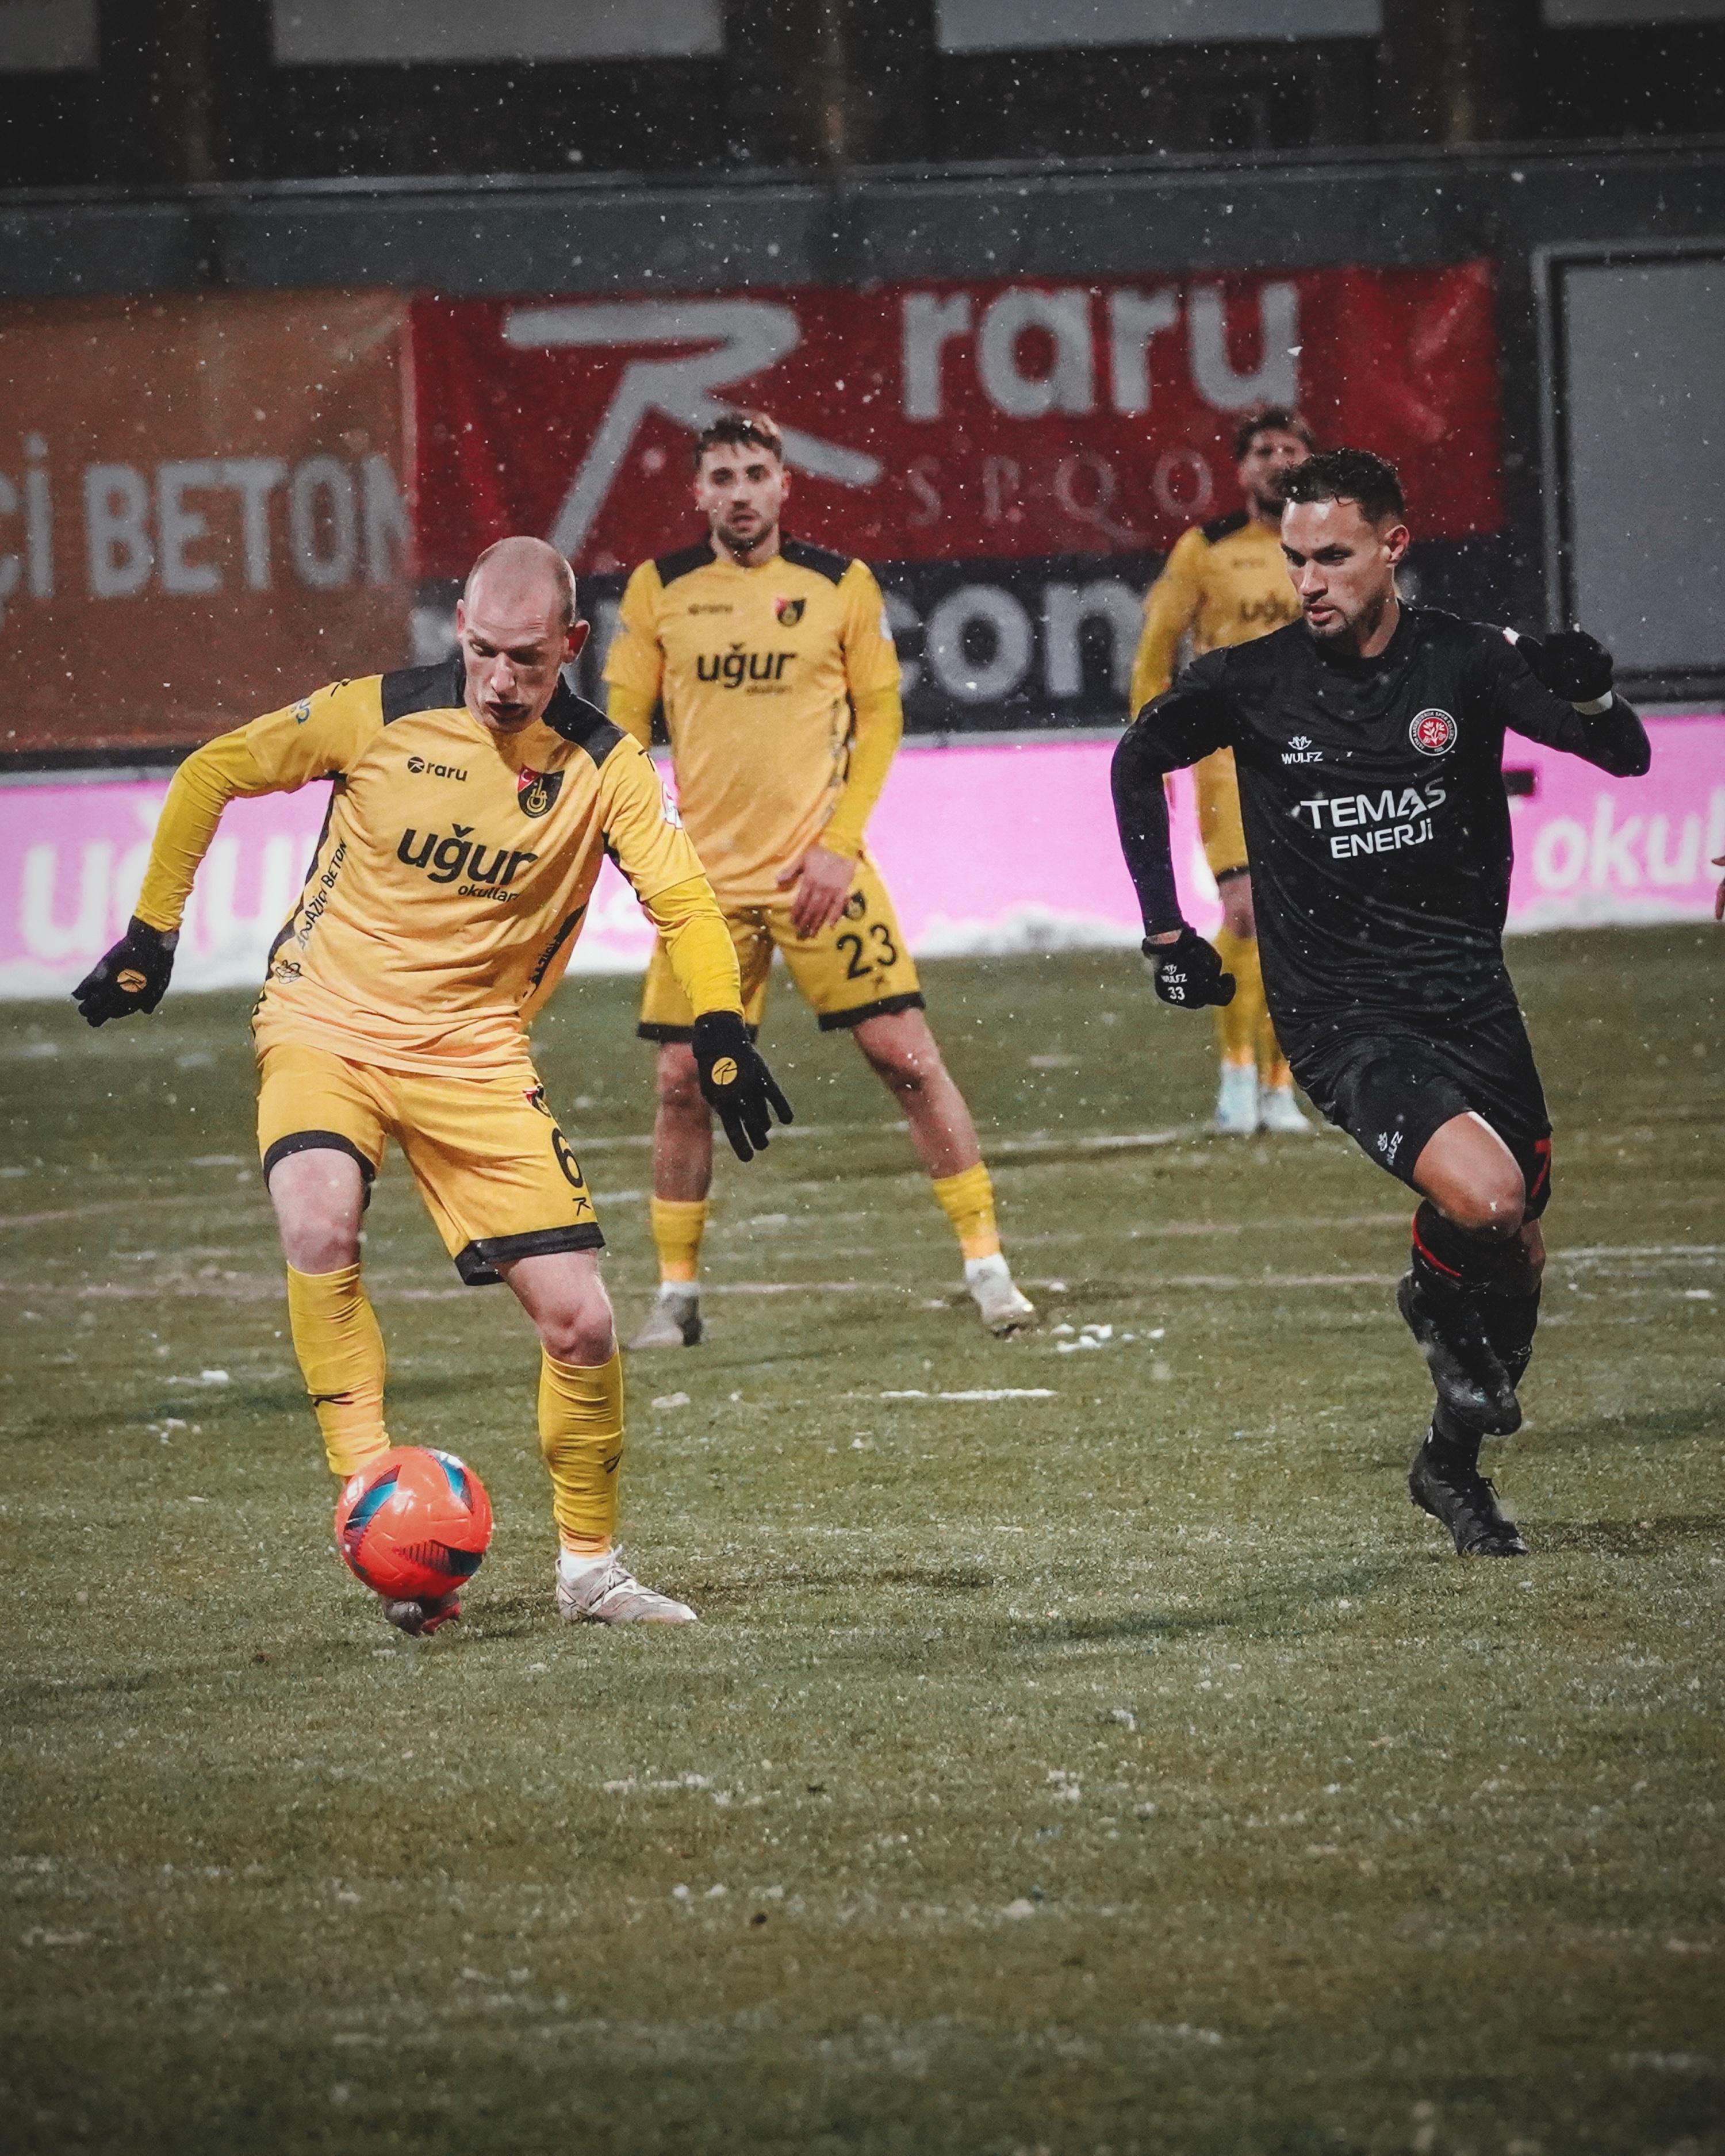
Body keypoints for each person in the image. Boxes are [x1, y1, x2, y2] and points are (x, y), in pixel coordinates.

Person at [71, 537, 790, 1632]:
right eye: (484, 651)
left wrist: (723, 1029)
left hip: (475, 1054)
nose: (500, 680)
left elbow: (686, 902)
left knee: (583, 1323)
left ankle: (590, 1571)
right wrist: (151, 932)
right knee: (319, 1226)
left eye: (528, 660)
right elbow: (213, 769)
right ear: (459, 625)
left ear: (573, 645)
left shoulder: (603, 768)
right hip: (324, 1022)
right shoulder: (375, 713)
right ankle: (375, 1509)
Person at [1111, 449, 1651, 1557]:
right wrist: (1165, 926)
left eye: (1334, 557)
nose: (1308, 582)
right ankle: (1431, 1300)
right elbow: (1135, 759)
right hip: (1342, 1017)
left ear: (1393, 547)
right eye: (1295, 559)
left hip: (1472, 1001)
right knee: (1488, 1203)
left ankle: (1450, 1467)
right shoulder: (1252, 681)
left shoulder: (1466, 658)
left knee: (1521, 1250)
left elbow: (1625, 757)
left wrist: (1594, 690)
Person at [603, 411, 1036, 1347]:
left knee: (906, 1059)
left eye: (756, 473)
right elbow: (624, 726)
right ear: (698, 491)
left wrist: (839, 843)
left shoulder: (839, 585)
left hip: (820, 874)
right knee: (681, 1081)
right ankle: (676, 1297)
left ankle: (989, 1269)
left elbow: (881, 717)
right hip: (705, 889)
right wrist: (641, 845)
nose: (741, 492)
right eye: (723, 477)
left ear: (784, 484)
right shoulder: (661, 589)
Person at [1130, 406, 1315, 1137]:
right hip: (1229, 757)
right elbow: (1155, 651)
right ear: (1241, 470)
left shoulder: (1332, 547)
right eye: (1263, 451)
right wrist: (1149, 750)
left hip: (1316, 757)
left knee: (1299, 923)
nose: (1277, 461)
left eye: (1289, 449)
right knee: (1246, 912)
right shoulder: (1206, 550)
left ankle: (1280, 1087)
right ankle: (1236, 1082)